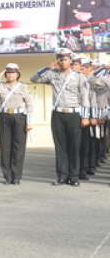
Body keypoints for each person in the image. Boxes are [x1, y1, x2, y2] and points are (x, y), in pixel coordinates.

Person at [31, 49, 90, 186]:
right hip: (57, 114)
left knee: (74, 146)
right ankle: (62, 176)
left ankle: (74, 177)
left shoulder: (79, 76)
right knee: (60, 147)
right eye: (60, 59)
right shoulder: (52, 74)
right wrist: (46, 68)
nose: (62, 62)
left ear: (70, 60)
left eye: (65, 59)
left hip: (74, 114)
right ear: (57, 60)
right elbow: (33, 79)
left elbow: (85, 97)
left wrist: (85, 116)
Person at [0, 63, 33, 185]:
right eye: (8, 73)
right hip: (5, 117)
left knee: (18, 147)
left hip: (19, 117)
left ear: (17, 74)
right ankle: (7, 176)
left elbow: (29, 105)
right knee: (5, 147)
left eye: (13, 73)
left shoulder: (23, 87)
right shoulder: (1, 86)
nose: (10, 75)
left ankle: (16, 176)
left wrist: (30, 121)